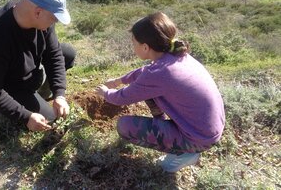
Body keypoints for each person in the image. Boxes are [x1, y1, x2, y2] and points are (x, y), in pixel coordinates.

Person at [96, 12, 225, 173]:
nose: (133, 46)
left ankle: (185, 154)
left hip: (199, 138)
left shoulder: (159, 73)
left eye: (133, 42)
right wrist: (118, 81)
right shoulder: (176, 56)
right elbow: (144, 72)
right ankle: (164, 127)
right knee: (148, 91)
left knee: (124, 126)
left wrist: (105, 93)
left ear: (145, 47)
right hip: (208, 128)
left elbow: (122, 98)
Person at [0, 0, 76, 132]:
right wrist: (25, 116)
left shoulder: (42, 20)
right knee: (50, 120)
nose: (55, 22)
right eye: (54, 18)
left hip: (28, 74)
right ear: (38, 12)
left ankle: (42, 95)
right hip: (8, 88)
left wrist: (59, 94)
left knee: (68, 53)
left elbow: (54, 55)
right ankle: (9, 108)